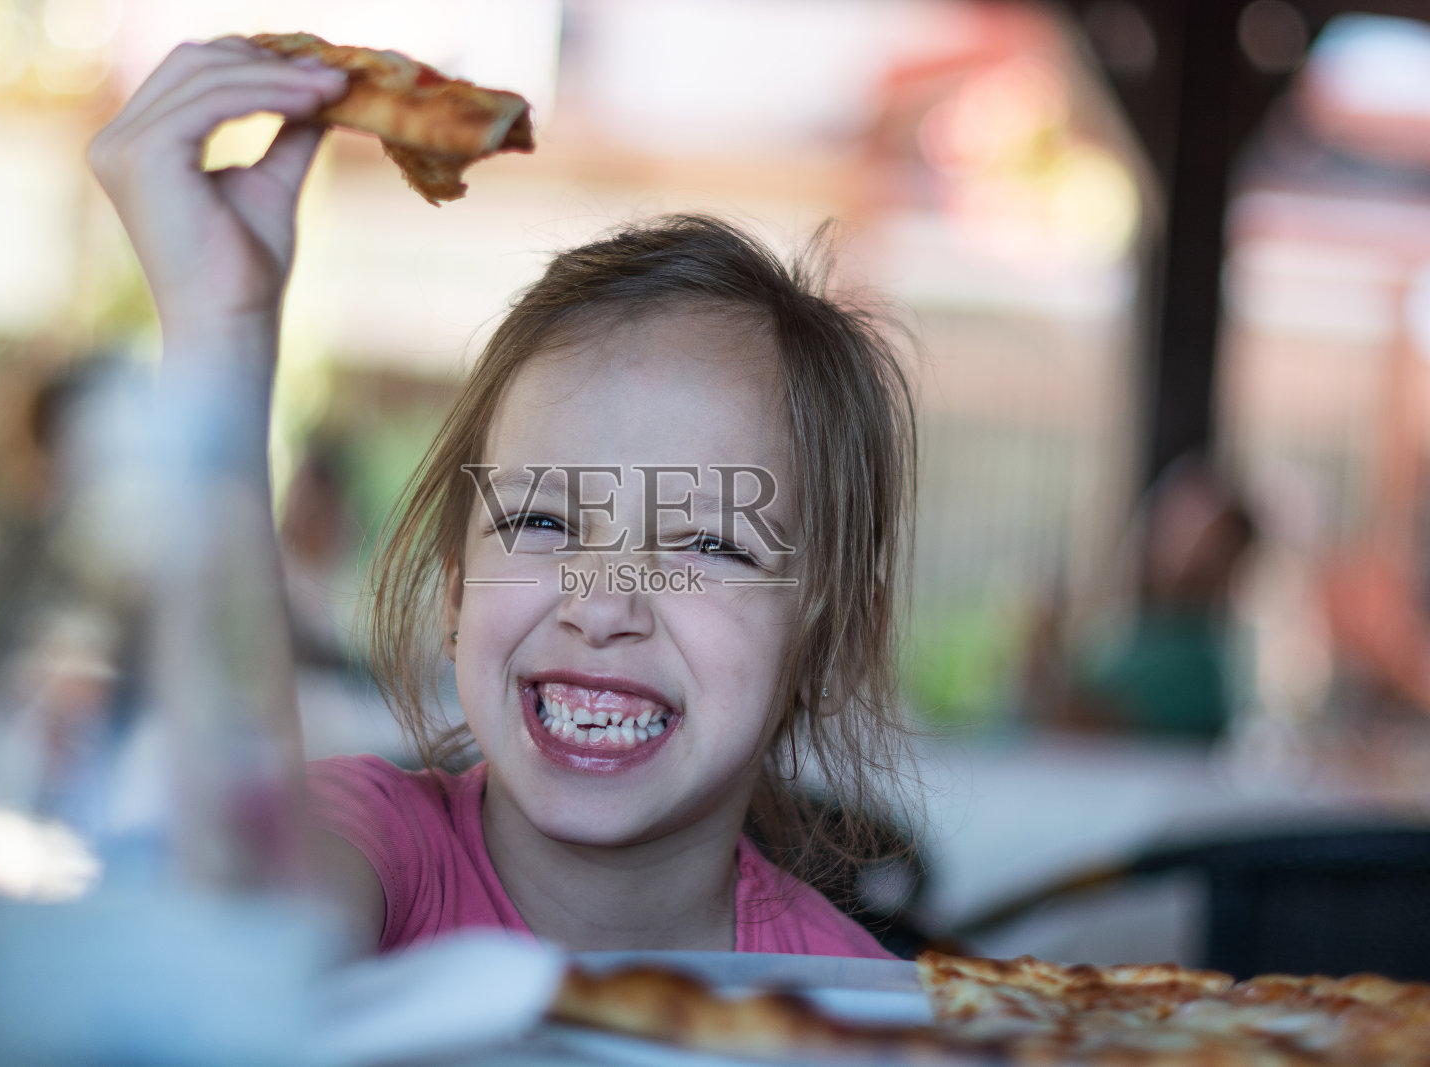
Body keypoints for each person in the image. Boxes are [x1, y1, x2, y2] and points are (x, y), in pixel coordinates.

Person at [89, 37, 918, 957]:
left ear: (826, 640)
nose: (602, 605)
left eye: (712, 545)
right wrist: (220, 336)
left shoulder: (859, 1011)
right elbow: (233, 927)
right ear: (455, 587)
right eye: (540, 521)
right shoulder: (371, 848)